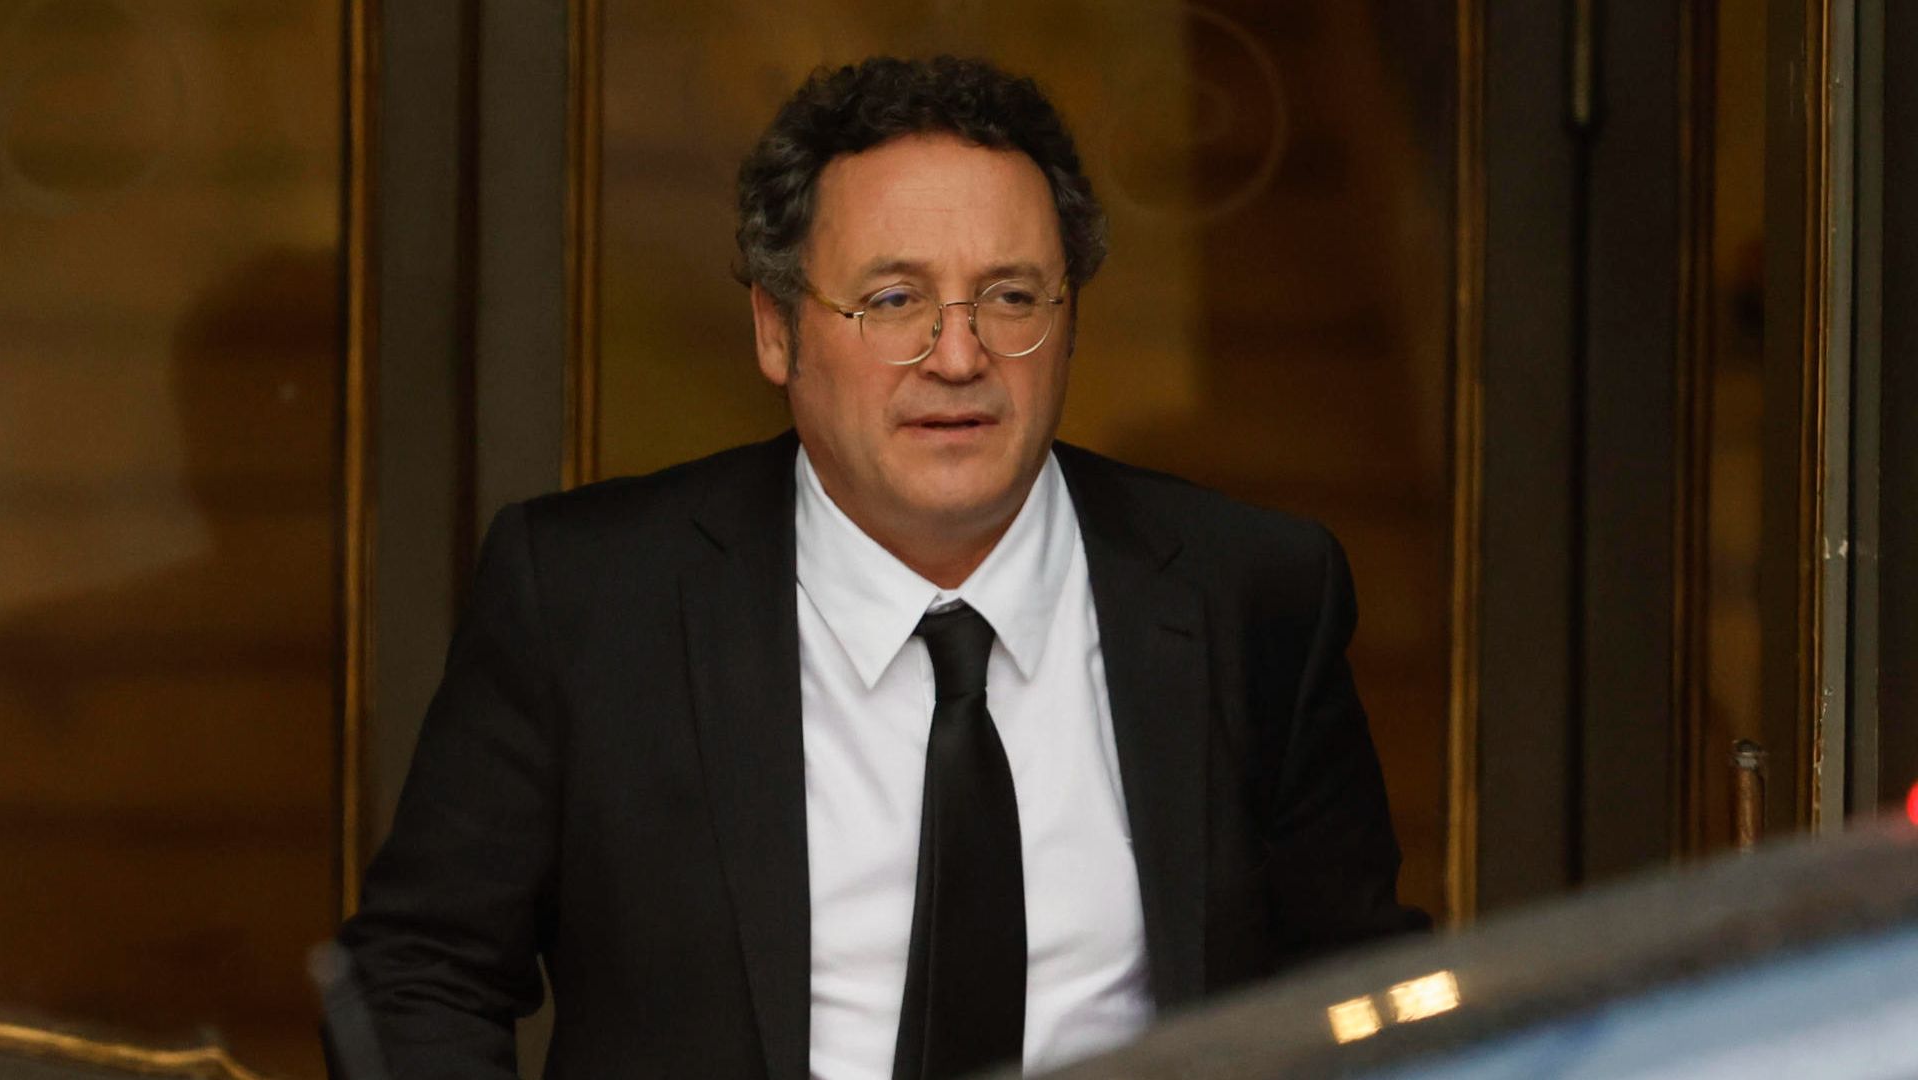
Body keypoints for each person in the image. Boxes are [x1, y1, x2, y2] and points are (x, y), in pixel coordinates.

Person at [337, 55, 1426, 1080]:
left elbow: (1364, 994)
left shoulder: (1249, 594)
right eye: (894, 300)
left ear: (1071, 323)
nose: (958, 357)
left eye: (1011, 297)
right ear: (776, 331)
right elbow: (420, 971)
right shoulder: (587, 600)